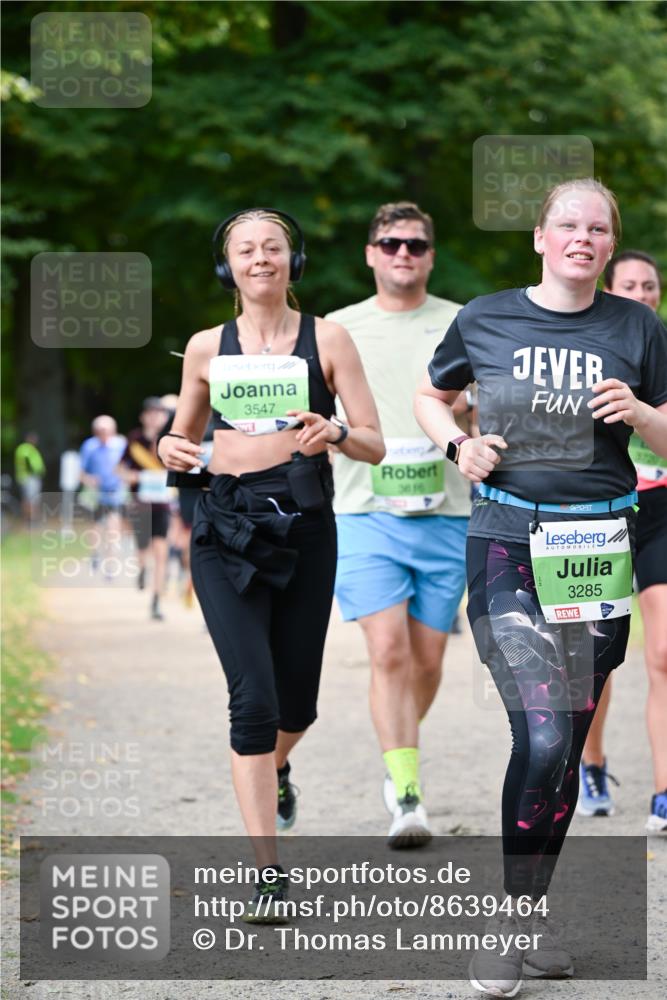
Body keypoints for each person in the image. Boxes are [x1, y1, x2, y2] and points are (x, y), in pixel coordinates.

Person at [415, 178, 667, 996]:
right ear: (539, 237)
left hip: (597, 545)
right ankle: (510, 922)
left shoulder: (637, 326)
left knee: (561, 746)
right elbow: (429, 395)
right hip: (506, 540)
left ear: (609, 243)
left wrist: (640, 413)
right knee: (548, 736)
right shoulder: (484, 317)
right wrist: (456, 446)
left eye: (597, 228)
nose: (582, 238)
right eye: (567, 224)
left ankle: (528, 913)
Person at [157, 207, 383, 919]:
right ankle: (268, 872)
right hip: (224, 528)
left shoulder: (329, 338)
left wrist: (334, 431)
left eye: (273, 247)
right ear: (227, 266)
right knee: (252, 701)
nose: (260, 258)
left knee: (296, 705)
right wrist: (169, 448)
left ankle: (276, 767)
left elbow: (373, 442)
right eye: (246, 250)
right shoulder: (206, 347)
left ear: (293, 260)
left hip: (305, 528)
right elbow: (182, 441)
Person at [326, 202, 472, 847]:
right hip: (364, 510)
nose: (403, 254)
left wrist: (475, 414)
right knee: (387, 650)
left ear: (430, 255)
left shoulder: (463, 322)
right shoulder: (338, 327)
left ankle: (398, 750)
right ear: (371, 254)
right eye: (390, 244)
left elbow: (488, 407)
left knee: (428, 660)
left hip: (448, 511)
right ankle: (406, 791)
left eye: (415, 244)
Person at [578, 250, 667, 831]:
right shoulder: (585, 350)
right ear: (610, 290)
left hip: (661, 508)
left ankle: (665, 790)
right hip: (598, 512)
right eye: (629, 284)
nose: (642, 293)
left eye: (650, 285)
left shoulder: (664, 348)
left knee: (664, 653)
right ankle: (591, 764)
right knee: (593, 657)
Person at [118, 398, 171, 620]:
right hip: (140, 503)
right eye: (151, 413)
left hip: (163, 504)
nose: (155, 417)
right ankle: (142, 568)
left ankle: (156, 600)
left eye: (159, 413)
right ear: (143, 417)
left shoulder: (170, 440)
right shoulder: (135, 440)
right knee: (142, 549)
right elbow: (120, 469)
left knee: (161, 552)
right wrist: (132, 476)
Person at [79, 416, 127, 575]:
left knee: (113, 526)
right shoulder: (89, 446)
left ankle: (111, 562)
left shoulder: (121, 444)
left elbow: (128, 466)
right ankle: (95, 553)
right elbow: (81, 472)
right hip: (96, 492)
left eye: (106, 430)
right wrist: (89, 479)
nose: (103, 434)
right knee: (97, 525)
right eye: (100, 431)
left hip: (116, 491)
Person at [14, 432, 46, 521]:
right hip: (29, 478)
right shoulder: (26, 449)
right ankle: (30, 519)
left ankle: (30, 519)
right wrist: (35, 471)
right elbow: (27, 462)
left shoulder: (29, 449)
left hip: (29, 478)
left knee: (30, 499)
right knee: (30, 499)